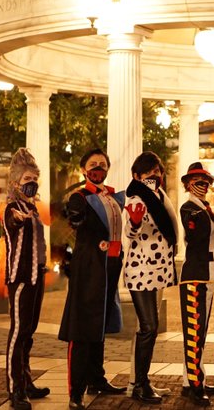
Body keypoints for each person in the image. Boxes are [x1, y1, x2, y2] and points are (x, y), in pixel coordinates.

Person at [59, 148, 126, 409]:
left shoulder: (112, 197)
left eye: (102, 164)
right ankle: (75, 391)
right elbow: (73, 221)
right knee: (82, 327)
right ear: (84, 169)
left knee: (100, 324)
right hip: (88, 268)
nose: (98, 167)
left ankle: (96, 379)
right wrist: (74, 215)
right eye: (93, 164)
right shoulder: (80, 197)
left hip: (110, 267)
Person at [121, 151, 178, 404]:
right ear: (137, 176)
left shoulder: (159, 195)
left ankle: (139, 381)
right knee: (149, 327)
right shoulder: (136, 197)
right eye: (148, 172)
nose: (155, 175)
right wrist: (134, 222)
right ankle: (140, 385)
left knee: (148, 329)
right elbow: (131, 231)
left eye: (157, 171)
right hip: (141, 271)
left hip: (158, 271)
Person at [2, 149, 50, 410]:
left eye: (34, 179)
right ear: (16, 183)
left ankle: (26, 381)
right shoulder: (13, 208)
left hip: (36, 276)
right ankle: (15, 389)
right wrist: (18, 219)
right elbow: (13, 222)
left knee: (29, 332)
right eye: (27, 179)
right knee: (18, 333)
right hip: (20, 278)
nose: (32, 183)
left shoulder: (33, 208)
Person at [178, 162, 214, 406]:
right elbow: (194, 236)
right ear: (188, 184)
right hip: (195, 277)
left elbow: (206, 238)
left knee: (199, 333)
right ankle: (195, 385)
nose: (203, 185)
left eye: (206, 182)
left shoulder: (204, 208)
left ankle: (191, 380)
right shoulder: (190, 208)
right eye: (198, 181)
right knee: (194, 333)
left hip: (207, 275)